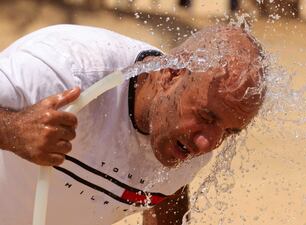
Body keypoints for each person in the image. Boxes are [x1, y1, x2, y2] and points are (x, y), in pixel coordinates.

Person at [0, 24, 266, 225]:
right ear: (170, 75)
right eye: (206, 116)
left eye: (230, 132)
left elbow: (166, 191)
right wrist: (14, 129)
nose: (207, 144)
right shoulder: (63, 71)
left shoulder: (192, 133)